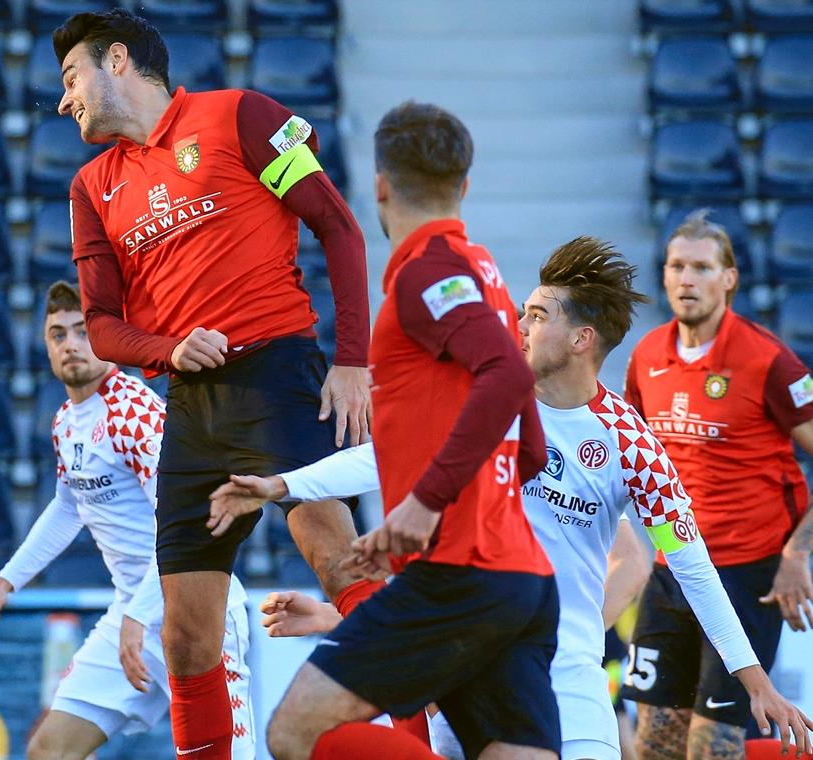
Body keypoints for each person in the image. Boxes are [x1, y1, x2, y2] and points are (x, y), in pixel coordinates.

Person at [214, 238, 813, 760]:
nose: (520, 326)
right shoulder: (488, 399)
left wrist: (753, 678)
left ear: (581, 338)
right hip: (471, 673)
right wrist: (284, 485)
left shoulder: (632, 445)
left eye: (536, 315)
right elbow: (393, 456)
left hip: (568, 682)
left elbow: (690, 565)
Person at [52, 9, 375, 758]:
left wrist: (352, 359)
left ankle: (424, 736)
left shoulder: (243, 117)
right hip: (191, 409)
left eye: (71, 79)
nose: (65, 100)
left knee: (344, 572)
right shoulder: (91, 187)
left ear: (119, 61)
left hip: (278, 379)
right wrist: (168, 347)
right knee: (186, 637)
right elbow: (101, 326)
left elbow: (339, 227)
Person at [239, 100, 559, 760]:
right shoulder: (481, 270)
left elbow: (507, 375)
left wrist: (424, 505)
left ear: (379, 185)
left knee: (296, 732)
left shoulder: (426, 273)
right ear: (464, 186)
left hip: (458, 575)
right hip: (520, 577)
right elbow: (529, 445)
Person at [0, 282, 254, 760]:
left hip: (200, 610)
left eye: (83, 331)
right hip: (133, 612)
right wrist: (5, 582)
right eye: (58, 335)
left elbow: (187, 521)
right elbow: (66, 506)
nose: (71, 345)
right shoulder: (66, 421)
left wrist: (140, 615)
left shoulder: (134, 412)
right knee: (48, 751)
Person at [621, 210, 813, 759]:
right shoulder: (646, 355)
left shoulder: (769, 360)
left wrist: (797, 554)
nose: (687, 279)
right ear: (663, 275)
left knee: (712, 748)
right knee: (653, 744)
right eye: (677, 265)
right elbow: (629, 458)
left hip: (746, 577)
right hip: (670, 570)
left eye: (702, 267)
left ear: (729, 278)